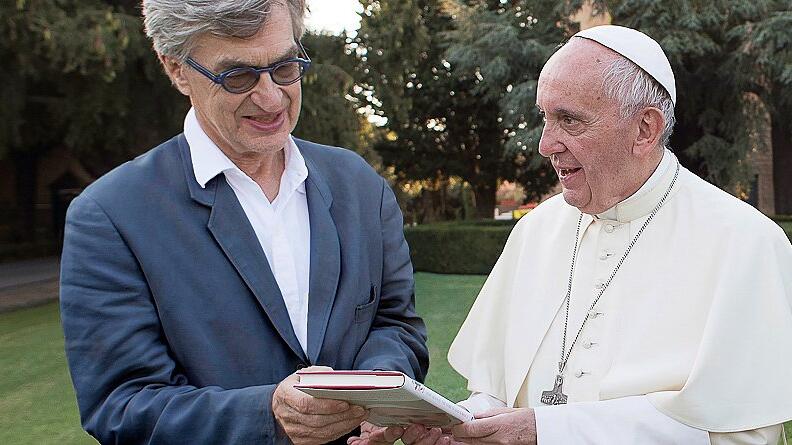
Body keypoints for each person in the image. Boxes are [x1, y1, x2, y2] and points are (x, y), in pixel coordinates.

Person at [354, 25, 792, 445]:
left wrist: (545, 431)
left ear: (646, 129)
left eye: (570, 121)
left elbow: (739, 433)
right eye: (545, 117)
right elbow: (497, 390)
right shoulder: (535, 231)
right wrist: (466, 425)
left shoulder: (745, 243)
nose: (546, 145)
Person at [59, 1, 428, 444]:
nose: (271, 97)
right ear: (175, 69)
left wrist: (375, 393)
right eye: (237, 76)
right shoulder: (111, 215)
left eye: (286, 67)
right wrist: (268, 415)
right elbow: (122, 406)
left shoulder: (359, 184)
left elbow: (396, 324)